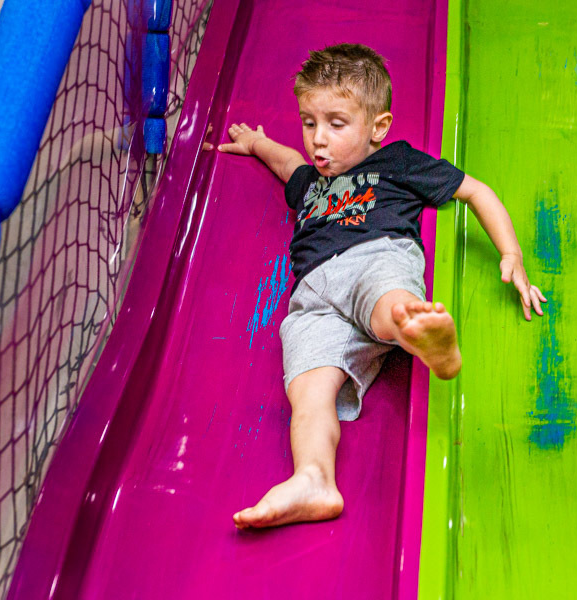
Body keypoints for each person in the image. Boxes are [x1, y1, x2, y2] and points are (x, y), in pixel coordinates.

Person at [217, 43, 546, 529]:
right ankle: (314, 479)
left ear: (378, 127)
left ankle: (421, 334)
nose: (318, 141)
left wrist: (511, 253)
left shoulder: (397, 162)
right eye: (309, 122)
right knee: (307, 391)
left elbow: (475, 191)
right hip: (312, 297)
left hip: (376, 254)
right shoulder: (311, 182)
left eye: (335, 123)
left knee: (386, 297)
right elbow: (287, 163)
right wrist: (256, 144)